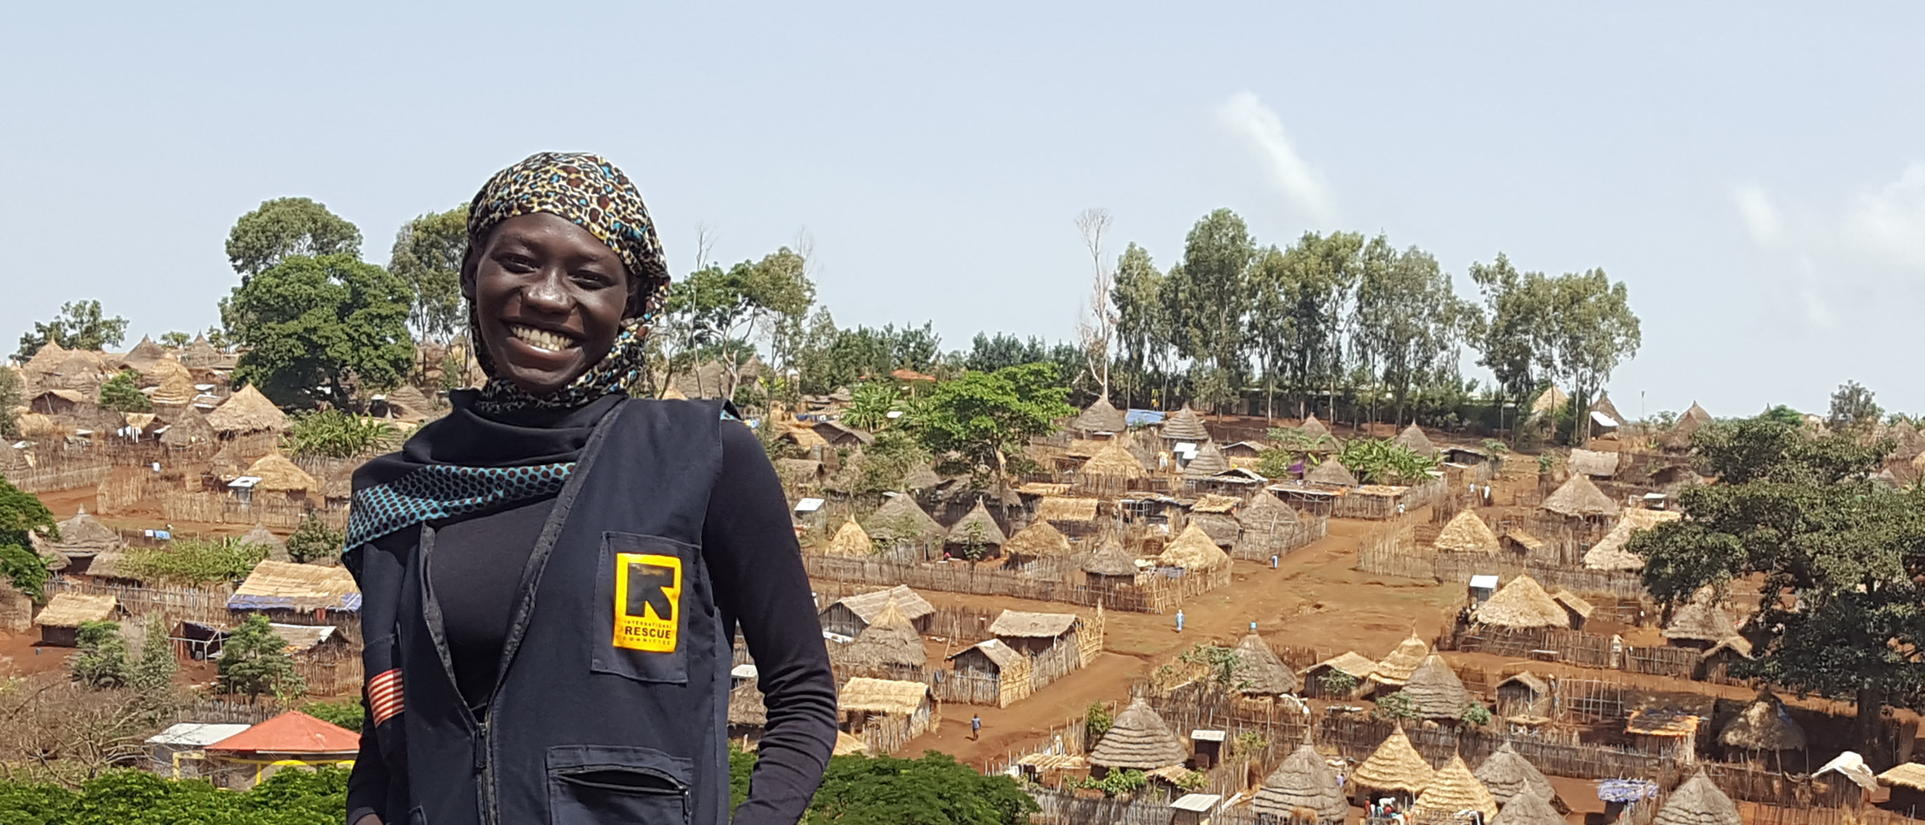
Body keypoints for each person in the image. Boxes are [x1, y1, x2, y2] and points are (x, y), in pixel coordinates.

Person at [342, 153, 837, 825]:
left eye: (587, 277)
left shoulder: (700, 455)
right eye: (518, 262)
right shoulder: (411, 491)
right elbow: (391, 731)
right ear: (471, 273)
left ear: (630, 305)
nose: (546, 296)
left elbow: (802, 695)